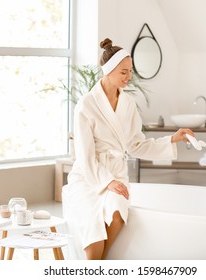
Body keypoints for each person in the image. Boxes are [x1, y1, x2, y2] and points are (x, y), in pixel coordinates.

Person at [62, 38, 195, 260]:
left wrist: (172, 139)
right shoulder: (87, 105)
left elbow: (136, 145)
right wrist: (107, 182)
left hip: (117, 175)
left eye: (130, 71)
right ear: (109, 70)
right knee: (93, 236)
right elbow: (85, 158)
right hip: (89, 177)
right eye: (124, 72)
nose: (129, 77)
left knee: (117, 213)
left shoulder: (128, 104)